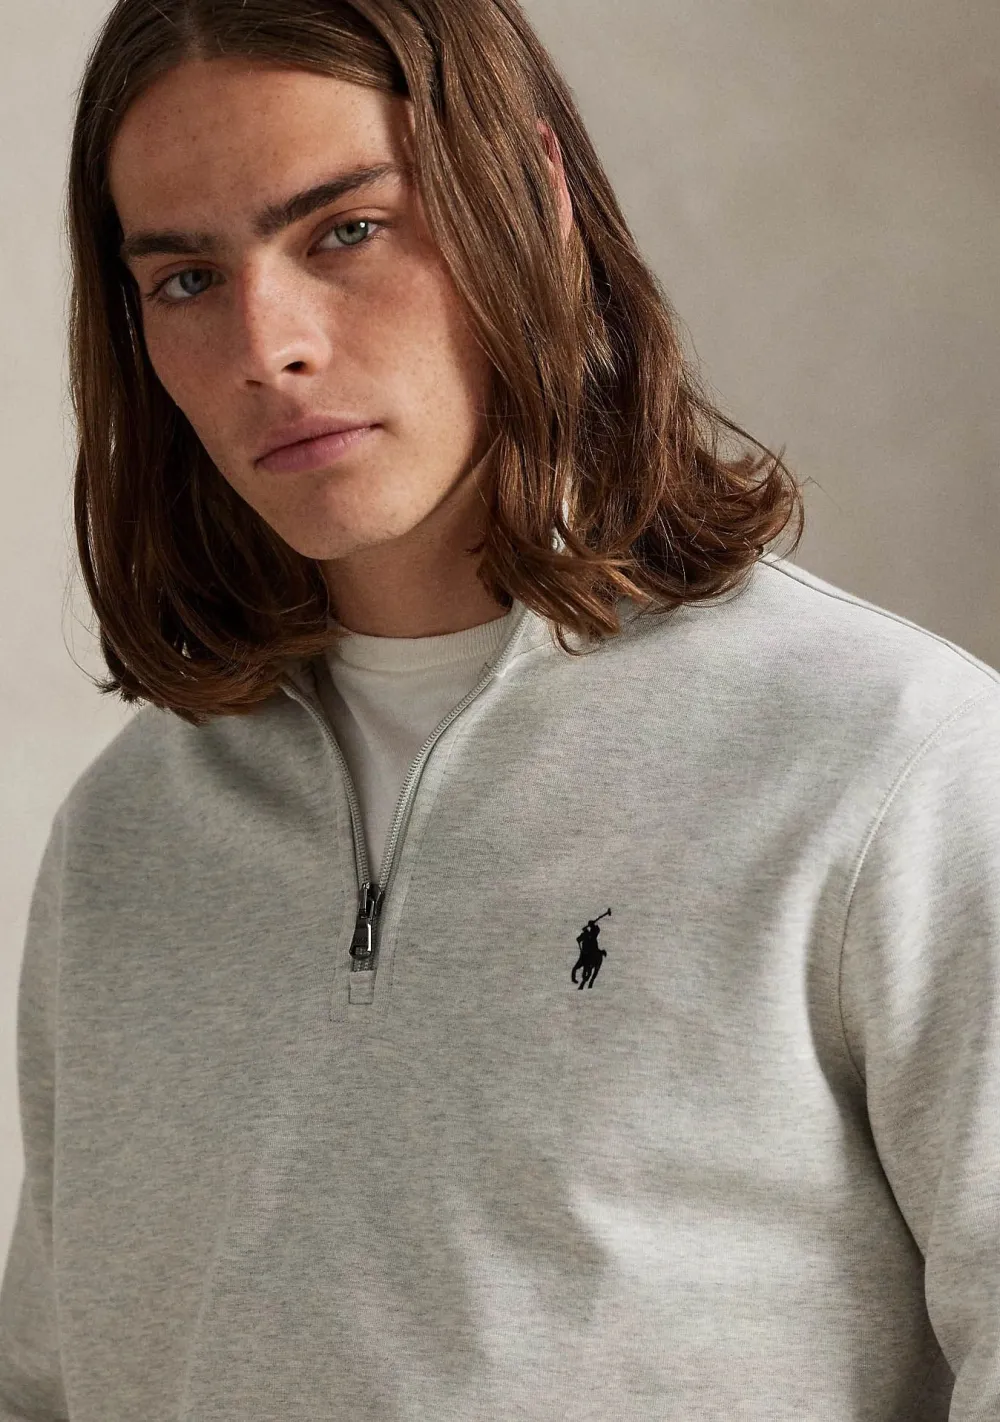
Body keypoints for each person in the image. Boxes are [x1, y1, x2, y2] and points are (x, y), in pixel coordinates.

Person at [2, 0, 998, 1417]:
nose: (266, 346)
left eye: (347, 230)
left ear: (529, 196)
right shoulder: (127, 836)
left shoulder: (893, 764)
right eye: (186, 278)